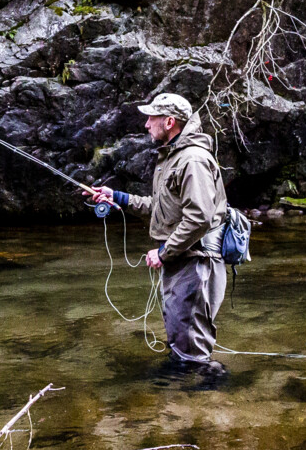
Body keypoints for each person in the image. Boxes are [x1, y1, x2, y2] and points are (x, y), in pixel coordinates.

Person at [84, 93, 231, 381]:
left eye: (152, 117)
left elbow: (199, 218)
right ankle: (186, 384)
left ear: (170, 122)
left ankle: (208, 391)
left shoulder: (193, 160)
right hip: (184, 259)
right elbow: (161, 208)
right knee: (181, 332)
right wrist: (118, 197)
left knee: (191, 338)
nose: (146, 124)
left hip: (196, 261)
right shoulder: (172, 157)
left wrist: (163, 252)